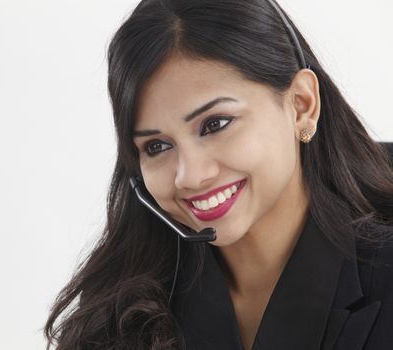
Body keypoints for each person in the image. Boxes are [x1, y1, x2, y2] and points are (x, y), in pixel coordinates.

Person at [44, 0, 393, 349]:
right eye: (157, 146)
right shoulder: (120, 311)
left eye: (215, 124)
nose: (190, 177)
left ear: (302, 104)